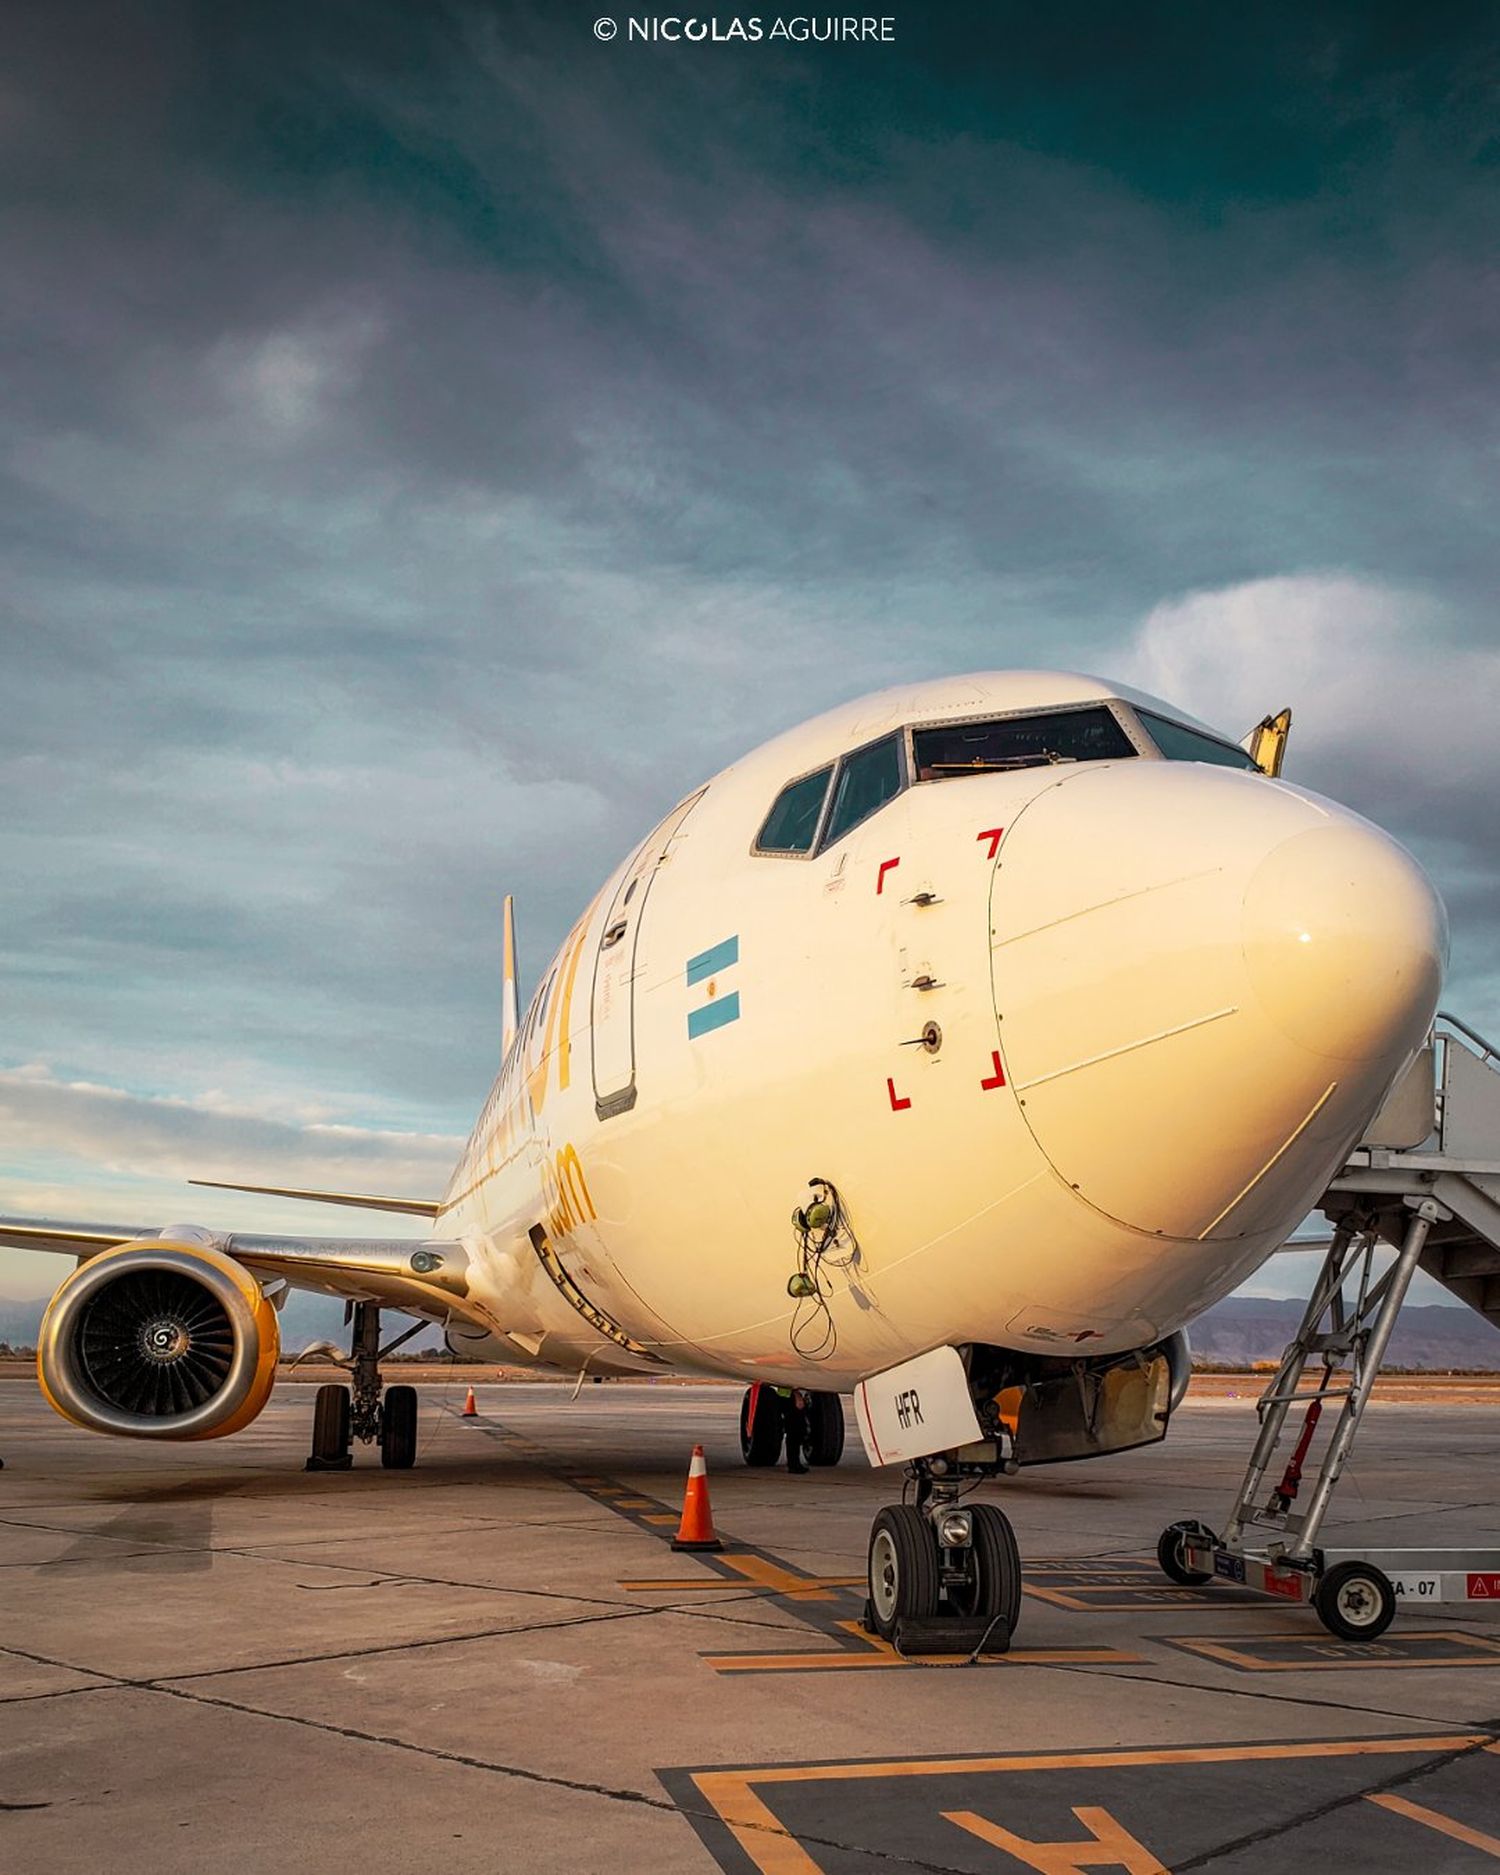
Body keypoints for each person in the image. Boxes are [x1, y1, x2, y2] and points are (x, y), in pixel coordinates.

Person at [780, 1386, 810, 1473]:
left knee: (795, 1432)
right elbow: (790, 1382)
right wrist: (796, 1395)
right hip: (790, 1397)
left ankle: (794, 1463)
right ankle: (794, 1464)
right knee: (794, 1432)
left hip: (788, 1395)